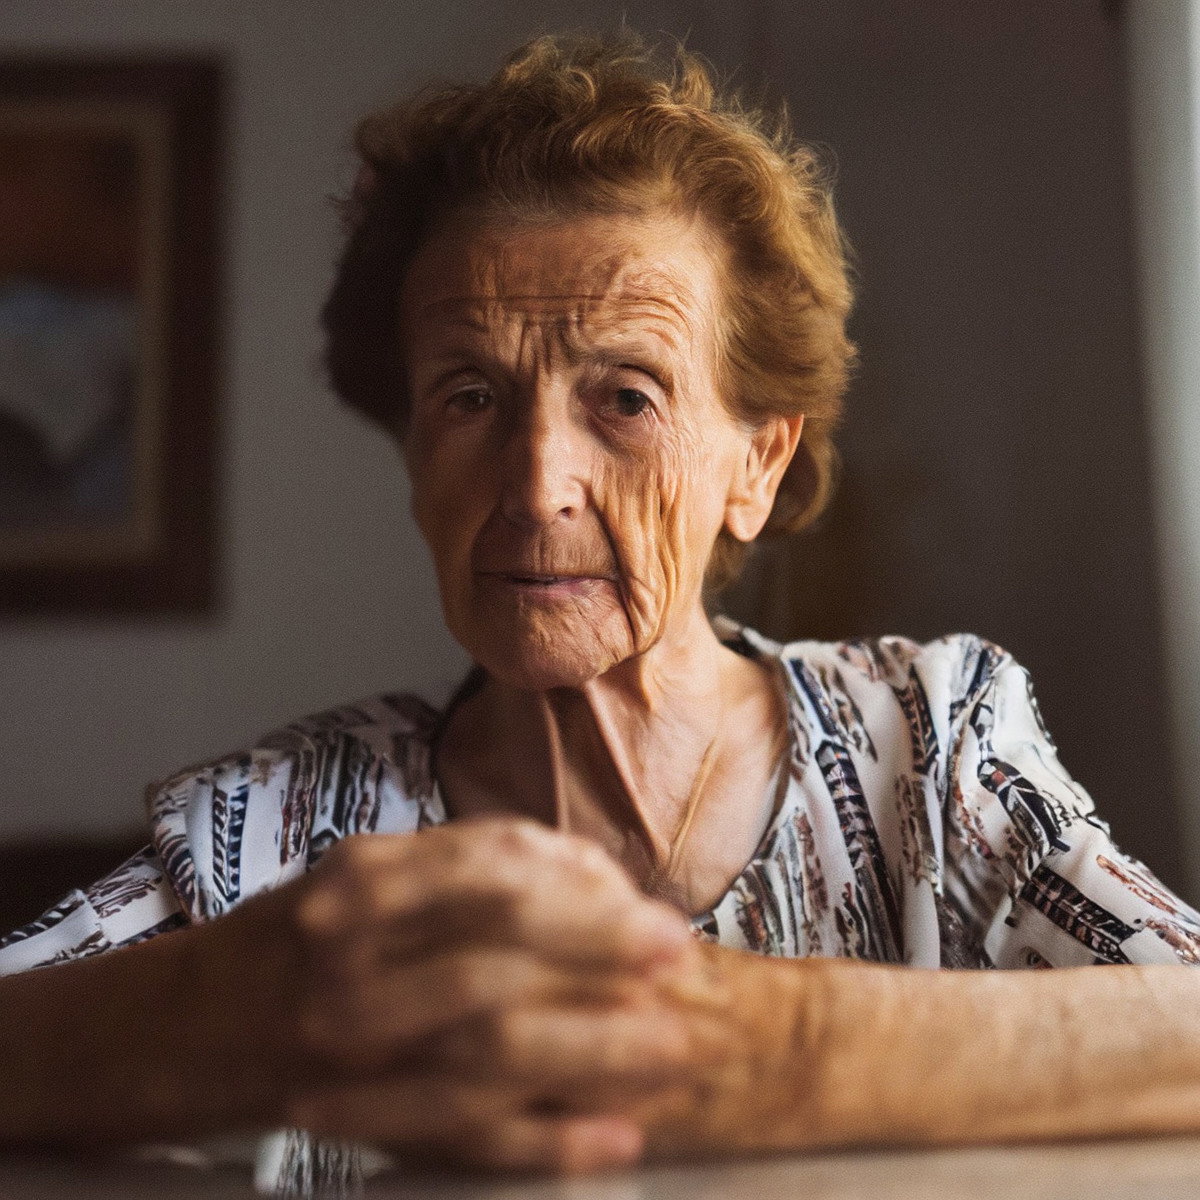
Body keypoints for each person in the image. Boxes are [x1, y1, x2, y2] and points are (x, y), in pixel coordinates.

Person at [3, 31, 1200, 1194]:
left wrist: (774, 1047)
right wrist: (204, 1014)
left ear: (758, 465)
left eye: (625, 397)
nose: (535, 486)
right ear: (415, 459)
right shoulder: (274, 836)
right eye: (469, 397)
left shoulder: (924, 754)